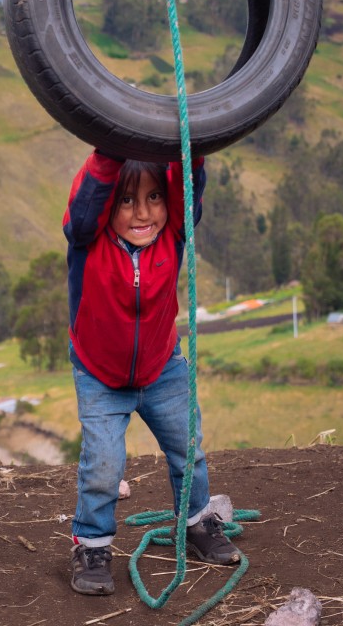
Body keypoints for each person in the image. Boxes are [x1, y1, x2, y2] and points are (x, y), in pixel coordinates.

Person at [62, 148, 239, 596]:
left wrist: (189, 150)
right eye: (127, 200)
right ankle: (93, 545)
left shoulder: (174, 233)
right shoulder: (91, 237)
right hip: (100, 375)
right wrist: (110, 146)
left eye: (154, 197)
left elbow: (188, 187)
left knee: (188, 447)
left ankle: (197, 523)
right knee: (103, 465)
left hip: (163, 367)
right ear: (109, 206)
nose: (143, 213)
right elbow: (81, 212)